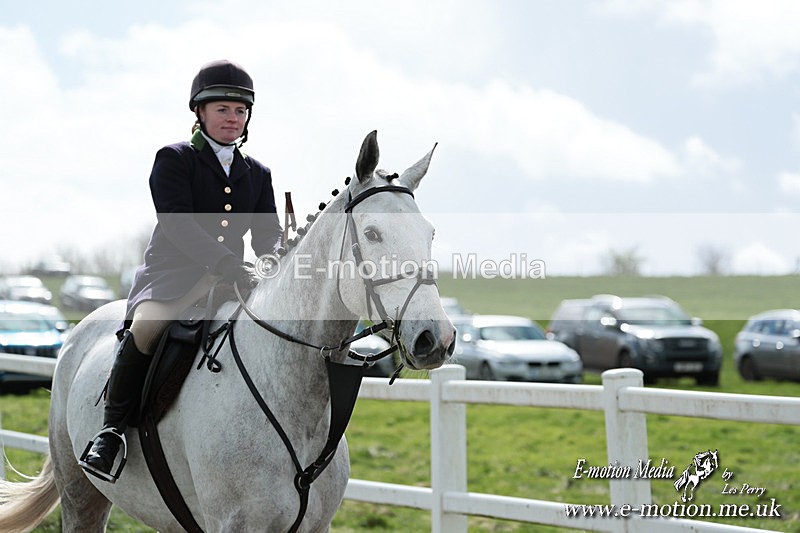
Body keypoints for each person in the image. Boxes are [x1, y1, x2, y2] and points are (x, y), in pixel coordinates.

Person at [79, 59, 283, 482]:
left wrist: (278, 259)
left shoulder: (258, 173)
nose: (233, 118)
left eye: (240, 110)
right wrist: (227, 262)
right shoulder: (174, 158)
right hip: (173, 277)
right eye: (223, 109)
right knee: (147, 329)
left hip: (232, 280)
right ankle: (111, 431)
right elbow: (177, 222)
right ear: (200, 112)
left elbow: (268, 235)